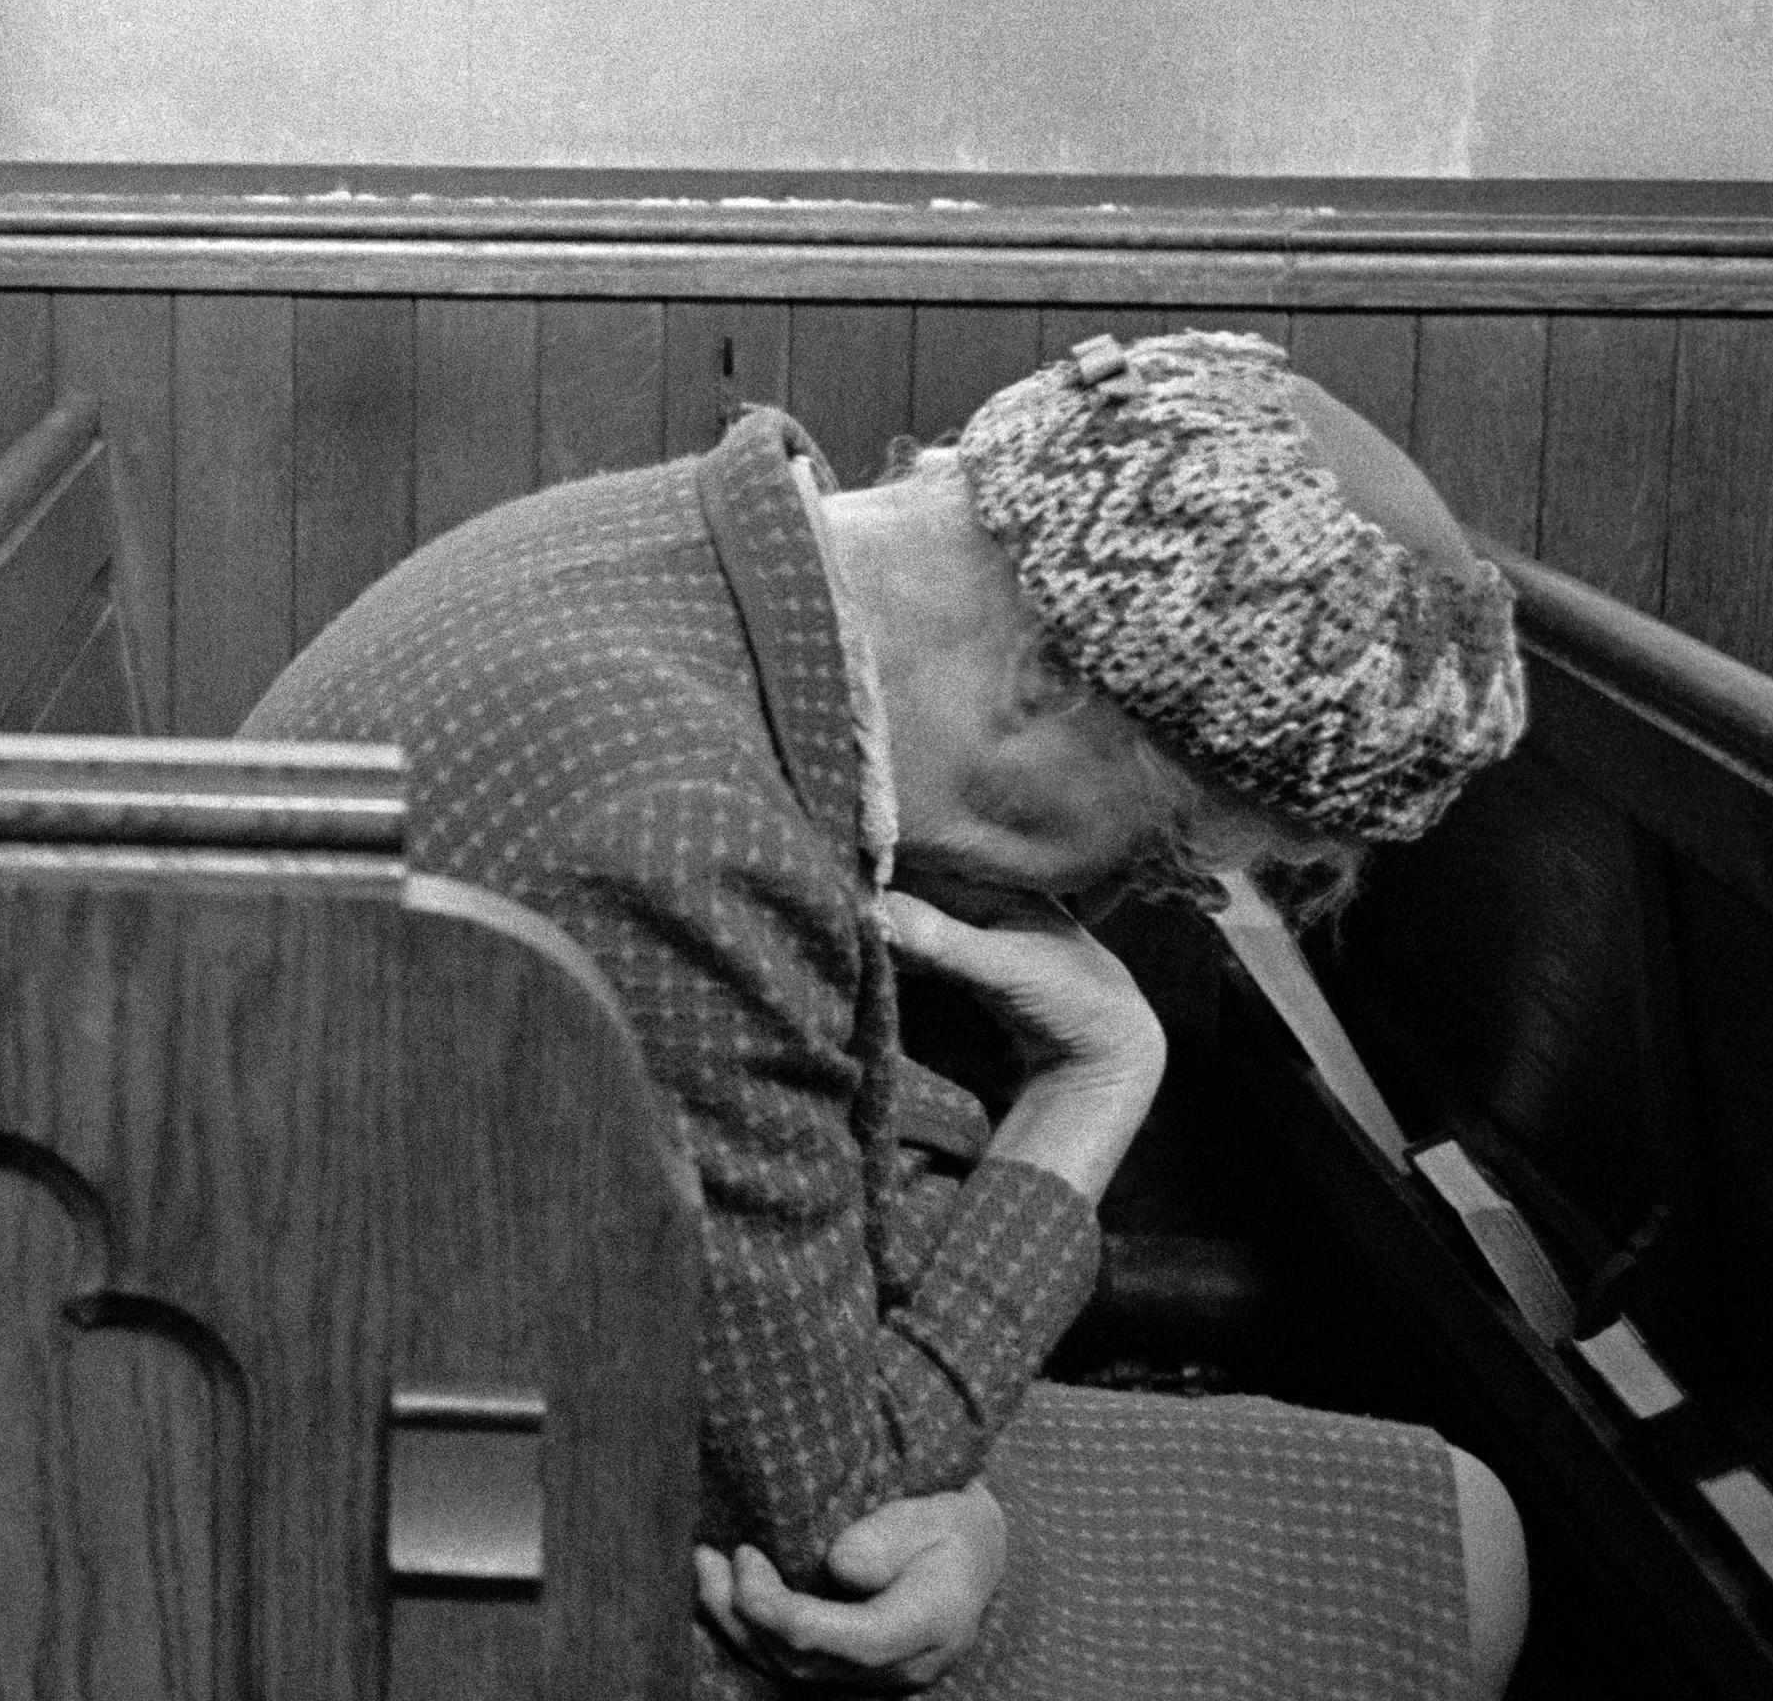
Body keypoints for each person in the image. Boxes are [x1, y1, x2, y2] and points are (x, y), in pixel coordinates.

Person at [242, 331, 1534, 1698]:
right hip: (449, 1569)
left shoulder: (681, 556)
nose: (1112, 899)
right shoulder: (683, 835)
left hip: (449, 1405)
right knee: (1463, 1557)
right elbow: (834, 1532)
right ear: (1051, 672)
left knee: (1456, 1523)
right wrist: (1092, 1084)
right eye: (1160, 848)